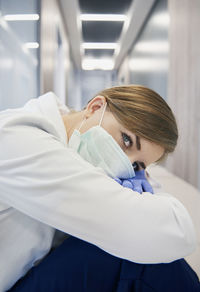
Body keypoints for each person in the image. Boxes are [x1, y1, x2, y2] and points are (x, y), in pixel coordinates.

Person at [0, 85, 198, 291]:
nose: (123, 163)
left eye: (136, 166)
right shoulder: (19, 139)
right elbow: (176, 231)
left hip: (26, 273)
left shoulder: (69, 135)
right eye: (127, 140)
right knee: (135, 260)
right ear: (95, 107)